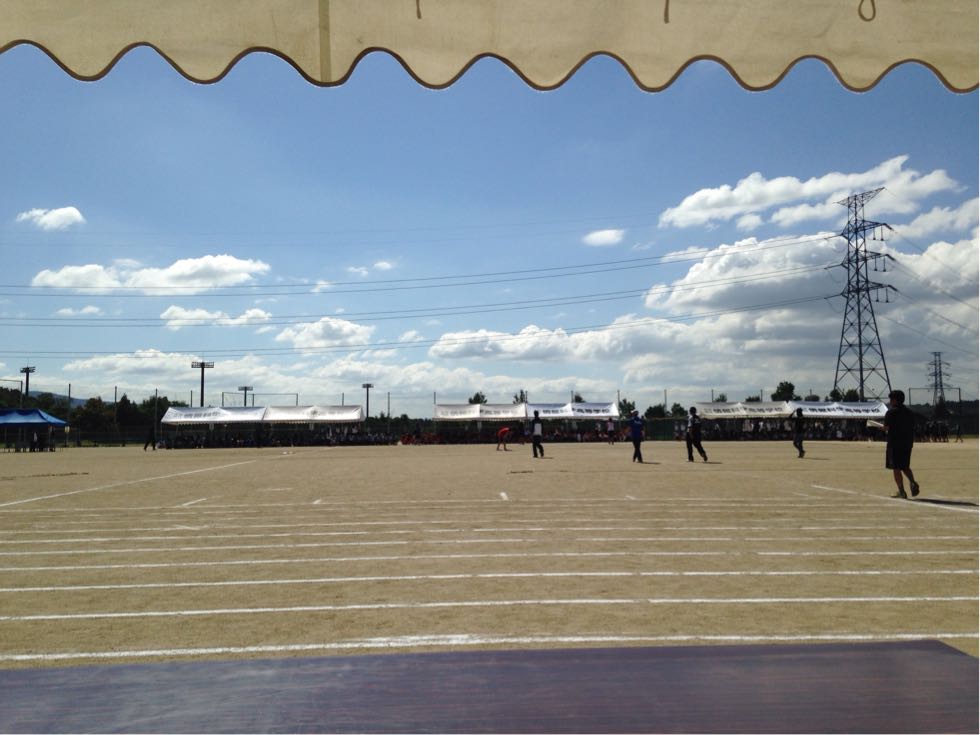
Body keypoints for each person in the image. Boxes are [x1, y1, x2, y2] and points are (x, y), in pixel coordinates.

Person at [884, 389, 919, 499]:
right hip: (907, 443)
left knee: (896, 468)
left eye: (891, 399)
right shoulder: (910, 413)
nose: (890, 401)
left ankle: (901, 491)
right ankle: (912, 482)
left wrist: (882, 428)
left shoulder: (891, 412)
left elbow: (886, 427)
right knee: (905, 466)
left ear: (895, 400)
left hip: (894, 444)